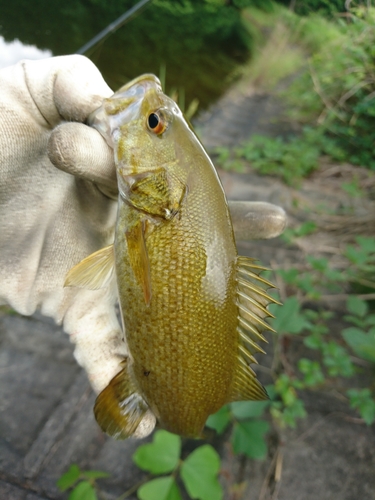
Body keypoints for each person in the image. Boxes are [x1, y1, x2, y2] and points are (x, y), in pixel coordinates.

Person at [0, 55, 285, 413]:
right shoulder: (152, 211)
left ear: (165, 196)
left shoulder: (150, 216)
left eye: (153, 123)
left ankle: (180, 407)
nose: (150, 96)